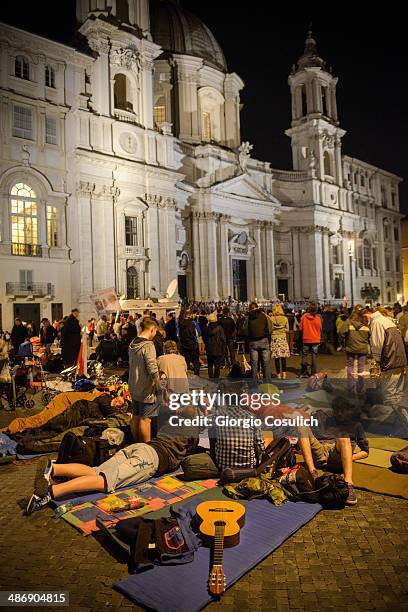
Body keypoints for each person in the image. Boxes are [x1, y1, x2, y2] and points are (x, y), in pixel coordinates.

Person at [25, 405, 199, 515]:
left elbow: (143, 419)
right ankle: (51, 492)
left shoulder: (167, 421)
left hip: (139, 448)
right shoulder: (191, 432)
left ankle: (54, 468)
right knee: (105, 480)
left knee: (96, 471)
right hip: (150, 459)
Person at [298, 396, 369, 505]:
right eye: (337, 411)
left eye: (343, 410)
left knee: (344, 437)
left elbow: (365, 452)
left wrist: (348, 458)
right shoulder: (327, 419)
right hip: (321, 451)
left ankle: (348, 483)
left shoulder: (356, 426)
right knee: (302, 427)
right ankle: (313, 473)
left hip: (337, 454)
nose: (340, 414)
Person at [128, 318, 160, 443]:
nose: (155, 334)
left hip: (134, 386)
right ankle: (147, 448)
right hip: (146, 388)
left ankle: (137, 443)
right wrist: (159, 384)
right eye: (155, 331)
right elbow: (152, 367)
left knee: (136, 416)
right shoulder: (148, 345)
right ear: (151, 329)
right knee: (146, 419)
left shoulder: (133, 343)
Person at [339, 308, 370, 391]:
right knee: (361, 367)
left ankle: (351, 386)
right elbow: (370, 336)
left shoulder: (349, 323)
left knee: (350, 367)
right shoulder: (366, 325)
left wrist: (344, 340)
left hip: (350, 348)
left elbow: (341, 332)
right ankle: (360, 386)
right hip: (363, 348)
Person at [243, 302, 272, 382]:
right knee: (266, 363)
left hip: (253, 342)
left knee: (254, 364)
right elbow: (270, 328)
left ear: (250, 308)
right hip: (264, 340)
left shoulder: (248, 317)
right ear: (257, 307)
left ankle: (254, 383)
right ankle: (267, 382)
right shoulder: (264, 316)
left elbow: (244, 329)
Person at [299, 303, 322, 377]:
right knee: (314, 356)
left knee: (304, 356)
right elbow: (320, 328)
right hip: (316, 339)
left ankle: (304, 372)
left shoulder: (303, 317)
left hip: (306, 338)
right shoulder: (318, 318)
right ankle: (313, 373)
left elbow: (300, 328)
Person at [269, 304, 290, 379]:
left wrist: (275, 330)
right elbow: (287, 330)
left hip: (275, 339)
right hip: (282, 338)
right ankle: (284, 375)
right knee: (283, 358)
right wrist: (282, 329)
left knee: (277, 358)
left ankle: (278, 375)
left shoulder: (271, 319)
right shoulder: (285, 318)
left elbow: (270, 329)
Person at [203, 312, 226, 379]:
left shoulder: (206, 329)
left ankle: (211, 378)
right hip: (218, 349)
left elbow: (204, 339)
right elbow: (223, 339)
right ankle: (216, 379)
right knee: (217, 365)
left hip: (209, 349)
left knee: (210, 365)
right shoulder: (220, 328)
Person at [178, 311, 201, 376]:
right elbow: (198, 333)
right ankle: (197, 376)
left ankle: (186, 376)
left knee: (186, 362)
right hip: (193, 344)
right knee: (195, 362)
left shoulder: (180, 324)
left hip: (184, 345)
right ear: (189, 315)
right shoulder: (193, 323)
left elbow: (177, 334)